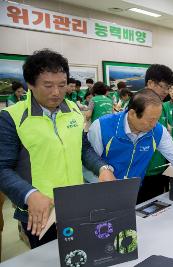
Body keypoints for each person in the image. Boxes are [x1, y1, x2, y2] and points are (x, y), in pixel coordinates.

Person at [0, 49, 115, 249]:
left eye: (62, 85)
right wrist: (30, 194)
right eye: (48, 85)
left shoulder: (73, 111)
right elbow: (2, 168)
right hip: (40, 212)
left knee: (80, 253)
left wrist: (103, 168)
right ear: (30, 84)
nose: (56, 92)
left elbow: (83, 148)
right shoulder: (11, 118)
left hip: (76, 204)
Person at [87, 89, 173, 204]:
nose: (154, 124)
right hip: (102, 194)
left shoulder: (157, 131)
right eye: (150, 120)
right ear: (132, 114)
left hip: (132, 193)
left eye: (157, 119)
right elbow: (90, 162)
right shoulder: (102, 127)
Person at [144, 64, 173, 201]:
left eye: (169, 88)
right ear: (150, 83)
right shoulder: (137, 106)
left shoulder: (161, 106)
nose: (167, 92)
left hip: (160, 167)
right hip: (143, 172)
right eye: (164, 87)